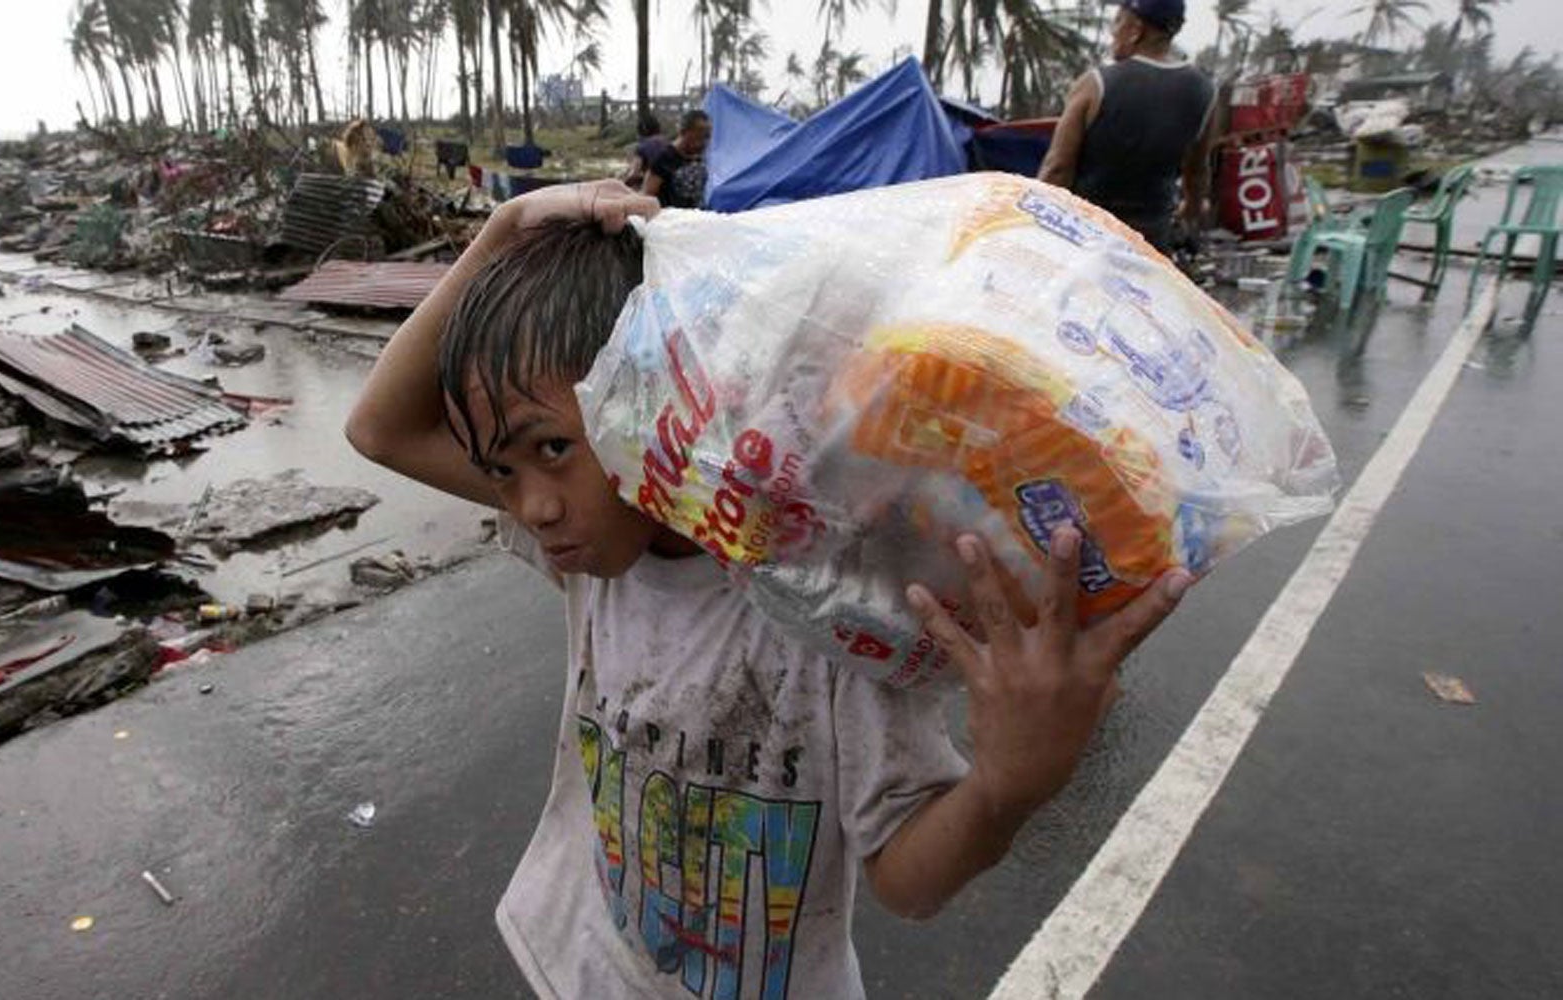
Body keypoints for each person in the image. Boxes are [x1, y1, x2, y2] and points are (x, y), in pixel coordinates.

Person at [346, 180, 1193, 999]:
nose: (530, 506)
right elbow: (378, 428)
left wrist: (1007, 787)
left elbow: (906, 878)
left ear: (645, 399)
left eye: (553, 451)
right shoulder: (592, 557)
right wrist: (503, 230)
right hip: (583, 965)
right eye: (500, 471)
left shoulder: (828, 607)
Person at [1038, 0, 1219, 249]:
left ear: (1136, 30)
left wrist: (1036, 227)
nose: (1113, 31)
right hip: (1152, 244)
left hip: (1089, 241)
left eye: (1118, 21)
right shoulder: (1204, 91)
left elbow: (1057, 168)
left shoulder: (1095, 84)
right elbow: (1197, 173)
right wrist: (1190, 214)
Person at [644, 110, 711, 209]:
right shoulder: (665, 158)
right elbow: (647, 195)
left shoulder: (699, 156)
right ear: (683, 132)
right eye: (698, 137)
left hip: (698, 218)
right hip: (672, 220)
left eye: (707, 137)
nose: (704, 143)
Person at [621, 112, 667, 190]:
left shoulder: (642, 147)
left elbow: (634, 174)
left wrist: (622, 183)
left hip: (653, 189)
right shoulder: (668, 143)